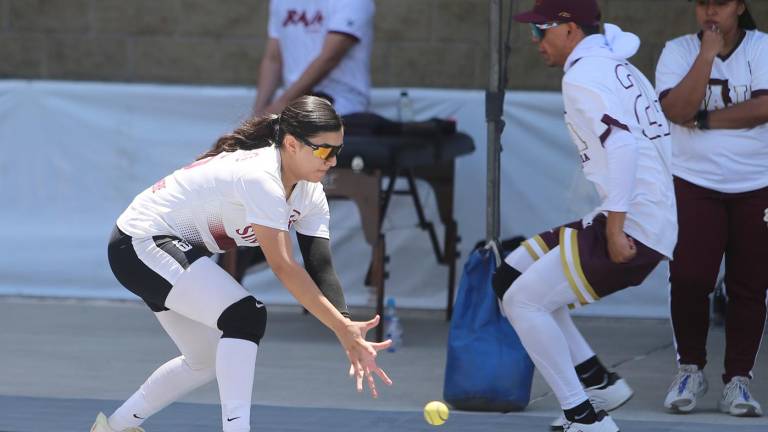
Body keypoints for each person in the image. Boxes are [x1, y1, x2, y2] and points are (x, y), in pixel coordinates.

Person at [90, 96, 392, 432]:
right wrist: (341, 329)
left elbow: (319, 264)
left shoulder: (310, 192)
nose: (334, 161)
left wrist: (346, 324)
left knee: (204, 360)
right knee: (245, 315)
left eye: (339, 150)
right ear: (291, 144)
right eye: (324, 150)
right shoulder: (260, 177)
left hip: (161, 248)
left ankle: (113, 428)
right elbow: (284, 267)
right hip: (140, 242)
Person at [500, 1, 678, 431]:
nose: (535, 41)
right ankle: (597, 380)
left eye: (540, 30)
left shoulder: (583, 76)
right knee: (510, 275)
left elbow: (622, 147)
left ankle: (585, 416)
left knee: (521, 302)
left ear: (569, 29)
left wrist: (615, 229)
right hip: (631, 210)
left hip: (635, 222)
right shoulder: (616, 64)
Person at [655, 0, 767, 417]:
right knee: (688, 277)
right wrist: (706, 55)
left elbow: (764, 108)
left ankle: (738, 380)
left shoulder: (761, 48)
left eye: (719, 3)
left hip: (757, 183)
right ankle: (690, 369)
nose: (709, 12)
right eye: (702, 3)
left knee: (749, 286)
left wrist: (703, 121)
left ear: (740, 5)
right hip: (693, 181)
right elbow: (674, 110)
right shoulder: (677, 50)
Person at [253, 0, 375, 116]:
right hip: (294, 105)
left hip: (343, 104)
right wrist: (258, 113)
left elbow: (330, 57)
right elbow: (273, 59)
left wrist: (282, 104)